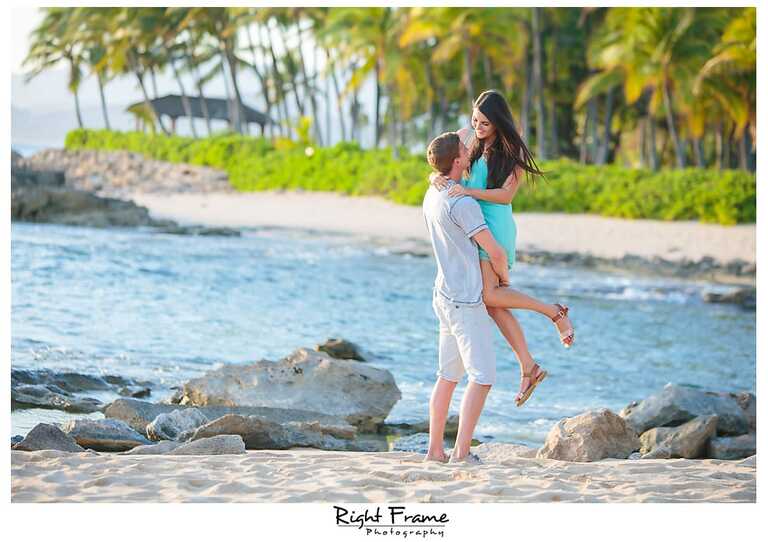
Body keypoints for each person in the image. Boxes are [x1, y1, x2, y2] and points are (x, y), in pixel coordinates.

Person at [430, 89, 574, 408]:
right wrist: (434, 177)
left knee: (490, 296)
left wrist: (467, 191)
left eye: (484, 122)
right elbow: (440, 157)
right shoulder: (467, 136)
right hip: (478, 226)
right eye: (475, 120)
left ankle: (554, 313)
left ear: (497, 121)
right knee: (494, 306)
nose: (477, 126)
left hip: (495, 228)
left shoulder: (513, 151)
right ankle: (528, 367)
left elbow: (506, 196)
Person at [422, 131, 509, 465]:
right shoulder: (463, 203)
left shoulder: (433, 193)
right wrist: (504, 279)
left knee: (447, 376)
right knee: (483, 377)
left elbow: (452, 142)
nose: (469, 147)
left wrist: (436, 168)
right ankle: (460, 452)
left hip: (444, 294)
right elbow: (495, 251)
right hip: (466, 300)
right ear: (458, 161)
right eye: (464, 150)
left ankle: (434, 451)